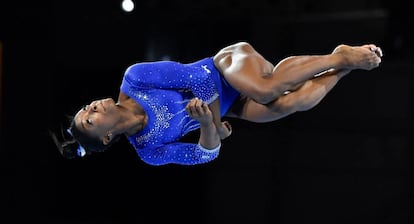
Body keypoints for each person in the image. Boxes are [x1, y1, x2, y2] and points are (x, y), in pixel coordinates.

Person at [50, 41, 383, 166]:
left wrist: (211, 119)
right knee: (289, 105)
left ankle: (339, 55)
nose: (91, 108)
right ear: (107, 138)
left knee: (267, 91)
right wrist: (209, 126)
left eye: (86, 109)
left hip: (225, 65)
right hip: (228, 106)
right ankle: (343, 68)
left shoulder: (135, 79)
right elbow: (205, 154)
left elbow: (193, 79)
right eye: (89, 120)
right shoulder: (149, 150)